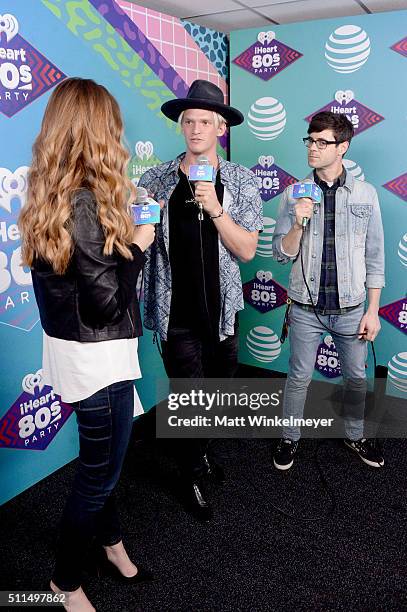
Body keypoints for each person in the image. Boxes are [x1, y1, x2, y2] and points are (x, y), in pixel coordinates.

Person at [18, 78, 154, 612]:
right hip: (98, 360)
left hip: (75, 354)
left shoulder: (53, 193)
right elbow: (106, 304)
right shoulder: (85, 205)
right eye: (113, 129)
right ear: (98, 133)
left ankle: (111, 544)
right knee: (99, 475)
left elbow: (82, 284)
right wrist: (138, 247)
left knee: (105, 464)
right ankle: (63, 583)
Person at [138, 80, 263, 521]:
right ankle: (191, 470)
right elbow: (140, 242)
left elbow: (246, 250)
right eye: (187, 120)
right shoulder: (153, 179)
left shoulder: (242, 181)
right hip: (176, 316)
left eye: (204, 121)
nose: (194, 128)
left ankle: (200, 450)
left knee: (220, 392)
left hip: (223, 313)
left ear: (220, 128)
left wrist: (214, 208)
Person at [272, 111, 385, 471]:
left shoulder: (366, 194)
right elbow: (280, 253)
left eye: (323, 142)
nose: (313, 148)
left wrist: (372, 310)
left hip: (352, 308)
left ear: (343, 147)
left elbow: (375, 257)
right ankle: (289, 438)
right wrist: (299, 222)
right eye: (310, 140)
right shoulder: (293, 194)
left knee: (355, 376)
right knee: (299, 376)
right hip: (305, 308)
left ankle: (355, 435)